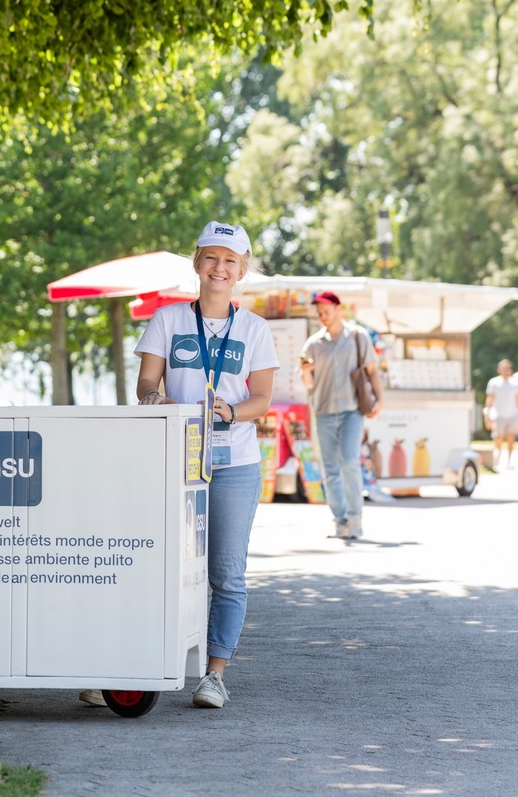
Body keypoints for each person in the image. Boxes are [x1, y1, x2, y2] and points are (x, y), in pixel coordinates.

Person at [127, 220, 279, 709]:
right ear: (197, 263)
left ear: (242, 271)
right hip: (175, 460)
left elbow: (262, 399)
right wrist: (156, 399)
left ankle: (214, 675)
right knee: (158, 562)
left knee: (227, 574)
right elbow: (146, 382)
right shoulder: (168, 319)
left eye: (230, 261)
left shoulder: (255, 329)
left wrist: (231, 412)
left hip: (234, 463)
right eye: (211, 258)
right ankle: (131, 664)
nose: (219, 268)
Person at [300, 291, 384, 540]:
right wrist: (306, 370)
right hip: (324, 412)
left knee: (348, 460)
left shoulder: (358, 337)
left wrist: (380, 400)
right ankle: (340, 522)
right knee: (331, 468)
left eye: (326, 310)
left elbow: (372, 371)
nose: (322, 315)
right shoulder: (314, 344)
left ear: (339, 309)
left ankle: (355, 520)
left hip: (351, 411)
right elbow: (309, 383)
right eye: (319, 311)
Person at [483, 359, 518, 470]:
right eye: (504, 368)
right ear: (499, 370)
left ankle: (509, 460)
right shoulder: (494, 382)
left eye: (508, 368)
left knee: (511, 438)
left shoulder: (515, 382)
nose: (506, 370)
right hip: (498, 415)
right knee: (498, 438)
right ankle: (498, 457)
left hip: (512, 414)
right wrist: (487, 415)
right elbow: (489, 400)